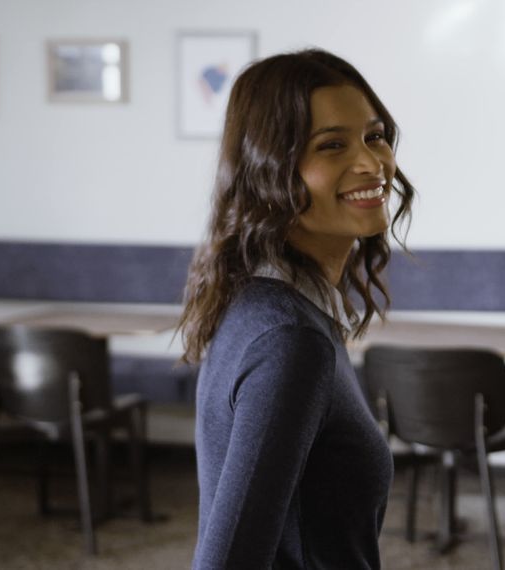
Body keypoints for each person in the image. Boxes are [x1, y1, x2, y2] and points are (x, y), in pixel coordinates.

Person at [179, 48, 416, 569]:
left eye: (374, 136)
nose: (370, 162)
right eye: (331, 145)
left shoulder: (270, 305)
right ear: (271, 171)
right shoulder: (290, 339)